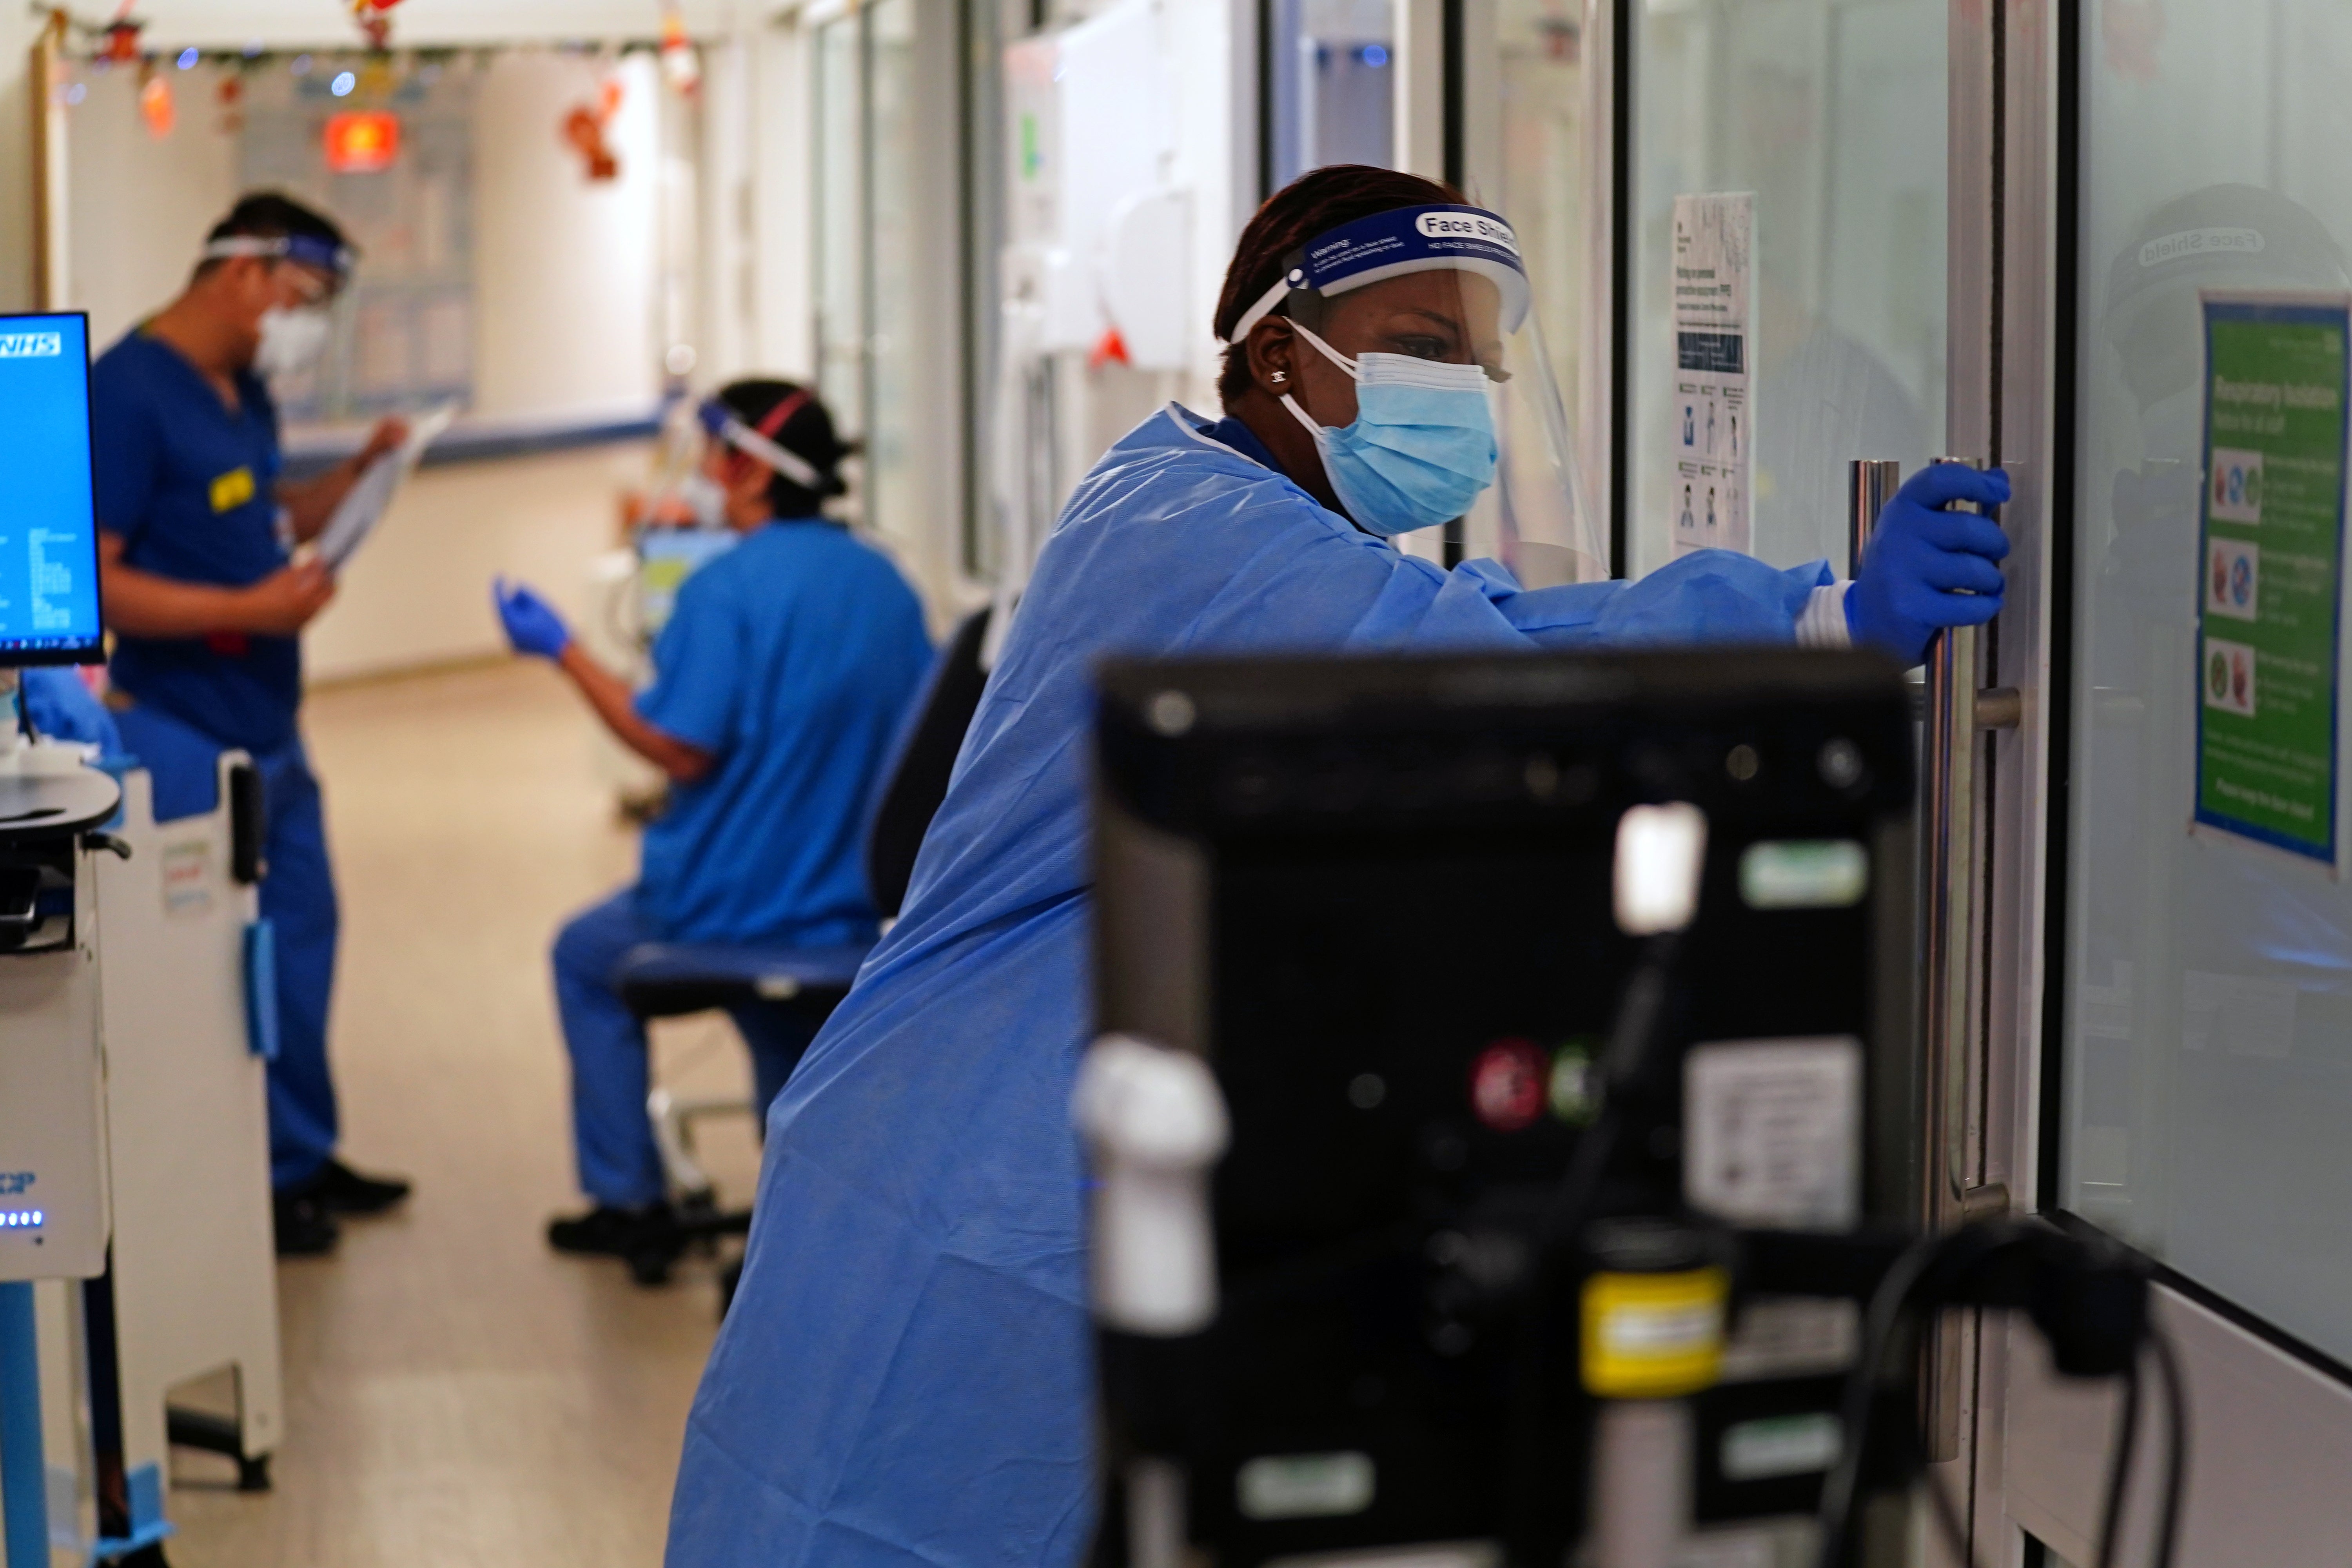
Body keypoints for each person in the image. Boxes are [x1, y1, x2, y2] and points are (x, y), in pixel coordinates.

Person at [663, 166, 2011, 1566]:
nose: (1465, 389)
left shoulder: (1262, 528)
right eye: (1423, 345)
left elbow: (1472, 627)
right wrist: (1819, 620)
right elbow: (1487, 674)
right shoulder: (1193, 529)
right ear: (1274, 349)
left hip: (1038, 1150)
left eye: (1478, 358)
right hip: (966, 1173)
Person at [492, 379, 933, 1275]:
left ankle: (630, 1200)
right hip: (855, 904)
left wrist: (565, 651)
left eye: (712, 450)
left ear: (748, 468)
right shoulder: (889, 583)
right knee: (790, 1032)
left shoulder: (725, 590)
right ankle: (807, 1228)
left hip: (729, 898)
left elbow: (677, 746)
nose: (699, 471)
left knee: (583, 955)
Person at [93, 192, 414, 1258]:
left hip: (271, 722)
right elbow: (95, 586)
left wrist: (366, 476)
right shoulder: (128, 396)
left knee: (303, 941)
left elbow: (264, 514)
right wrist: (247, 613)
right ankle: (245, 1179)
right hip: (181, 728)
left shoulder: (242, 393)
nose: (306, 322)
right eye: (302, 296)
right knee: (216, 960)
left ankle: (300, 1156)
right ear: (240, 271)